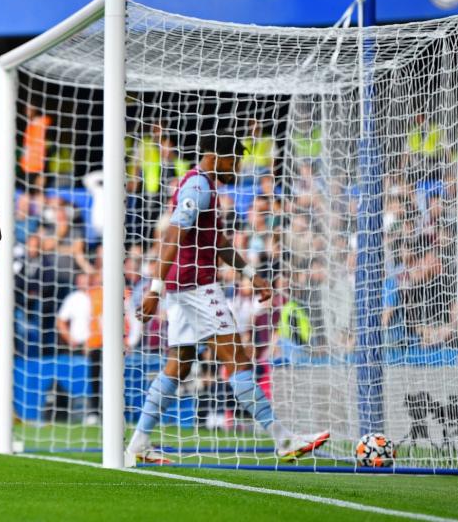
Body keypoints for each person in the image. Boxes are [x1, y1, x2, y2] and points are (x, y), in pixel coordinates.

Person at [127, 134, 327, 464]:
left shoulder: (206, 186)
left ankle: (138, 444)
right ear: (216, 157)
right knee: (238, 360)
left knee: (178, 366)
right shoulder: (198, 187)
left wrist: (252, 275)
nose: (239, 167)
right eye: (234, 160)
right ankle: (284, 439)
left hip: (183, 287)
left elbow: (218, 244)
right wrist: (153, 290)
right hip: (195, 287)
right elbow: (173, 234)